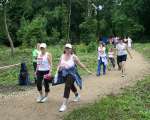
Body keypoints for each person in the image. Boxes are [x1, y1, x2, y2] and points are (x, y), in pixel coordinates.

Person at [57, 43, 91, 112]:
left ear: (71, 49)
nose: (67, 49)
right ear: (64, 49)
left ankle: (64, 104)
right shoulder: (62, 56)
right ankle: (77, 95)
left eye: (69, 48)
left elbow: (80, 64)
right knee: (71, 85)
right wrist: (58, 70)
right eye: (66, 48)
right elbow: (59, 65)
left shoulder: (74, 57)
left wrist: (87, 70)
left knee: (67, 86)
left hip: (72, 74)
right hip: (64, 74)